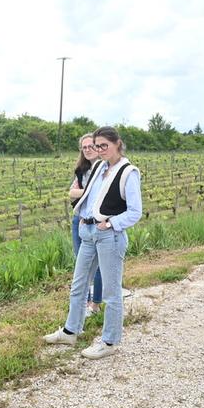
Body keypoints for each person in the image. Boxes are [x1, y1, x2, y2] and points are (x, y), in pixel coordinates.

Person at [44, 126, 142, 359]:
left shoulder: (129, 172)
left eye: (104, 146)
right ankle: (71, 331)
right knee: (78, 285)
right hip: (87, 233)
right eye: (97, 146)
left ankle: (109, 342)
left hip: (109, 236)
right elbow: (89, 196)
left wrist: (110, 224)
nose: (100, 150)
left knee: (111, 291)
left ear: (117, 143)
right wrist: (82, 217)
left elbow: (135, 212)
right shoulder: (99, 166)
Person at [69, 133, 103, 316]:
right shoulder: (81, 170)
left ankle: (96, 305)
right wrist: (88, 192)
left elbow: (104, 195)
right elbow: (71, 193)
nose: (88, 150)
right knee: (80, 263)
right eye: (84, 147)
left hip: (97, 221)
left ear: (98, 147)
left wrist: (82, 193)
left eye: (91, 146)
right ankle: (85, 302)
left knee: (98, 265)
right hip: (79, 219)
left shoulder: (105, 169)